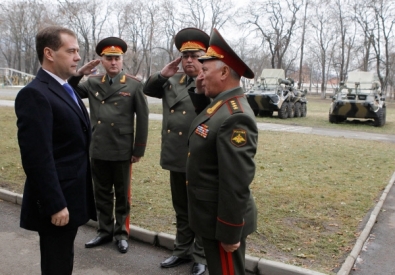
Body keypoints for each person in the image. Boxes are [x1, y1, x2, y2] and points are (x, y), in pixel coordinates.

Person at [15, 26, 96, 275]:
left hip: (71, 194)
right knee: (56, 264)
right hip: (57, 202)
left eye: (78, 51)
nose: (78, 57)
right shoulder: (33, 95)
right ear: (49, 53)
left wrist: (76, 75)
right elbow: (37, 158)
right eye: (71, 51)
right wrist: (55, 204)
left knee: (63, 259)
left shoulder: (62, 87)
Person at [186, 28, 258, 275]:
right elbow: (205, 123)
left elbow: (235, 181)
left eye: (205, 70)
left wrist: (229, 231)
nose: (201, 76)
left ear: (225, 72)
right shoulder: (221, 105)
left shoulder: (235, 116)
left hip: (222, 223)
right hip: (210, 218)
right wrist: (199, 91)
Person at [68, 37, 149, 254]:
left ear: (122, 60)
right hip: (98, 146)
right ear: (101, 61)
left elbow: (142, 118)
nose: (113, 62)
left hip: (122, 148)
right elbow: (69, 91)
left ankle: (121, 233)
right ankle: (104, 231)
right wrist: (80, 74)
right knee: (101, 193)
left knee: (122, 195)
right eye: (109, 58)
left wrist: (138, 149)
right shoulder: (93, 83)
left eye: (117, 58)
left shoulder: (133, 85)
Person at [143, 28, 209, 275]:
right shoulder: (173, 81)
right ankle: (181, 250)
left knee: (199, 208)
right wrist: (162, 74)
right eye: (185, 55)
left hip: (200, 157)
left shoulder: (211, 81)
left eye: (195, 55)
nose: (189, 60)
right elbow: (147, 89)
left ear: (205, 57)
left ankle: (201, 255)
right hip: (176, 155)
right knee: (181, 207)